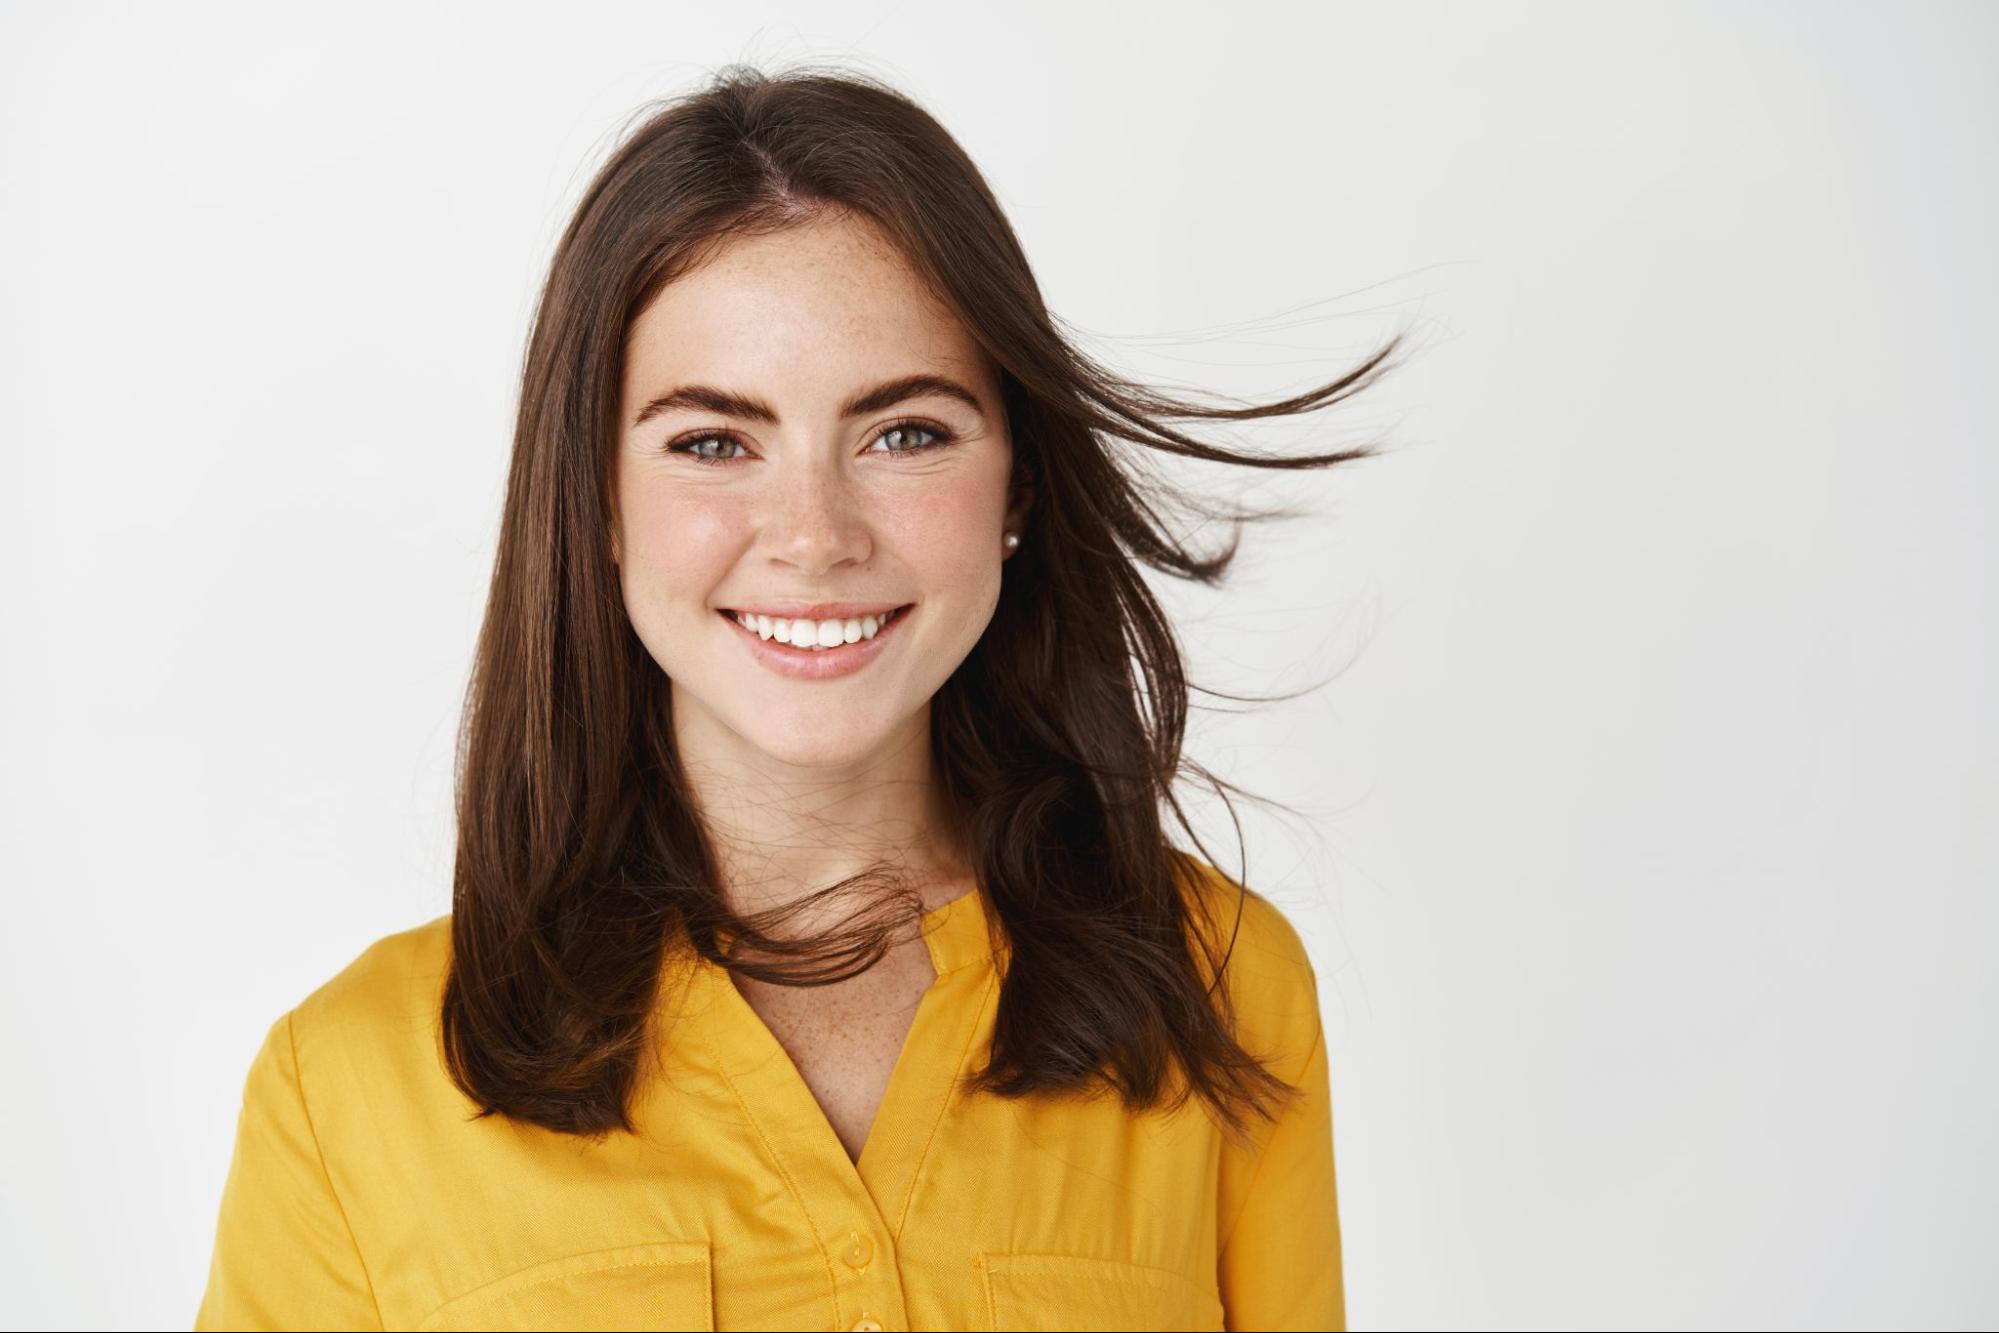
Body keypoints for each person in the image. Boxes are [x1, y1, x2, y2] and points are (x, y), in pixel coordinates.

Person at [194, 61, 1403, 1332]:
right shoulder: (348, 1088)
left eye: (905, 433)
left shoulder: (1219, 990)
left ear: (1021, 489)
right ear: (596, 503)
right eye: (714, 441)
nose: (814, 536)